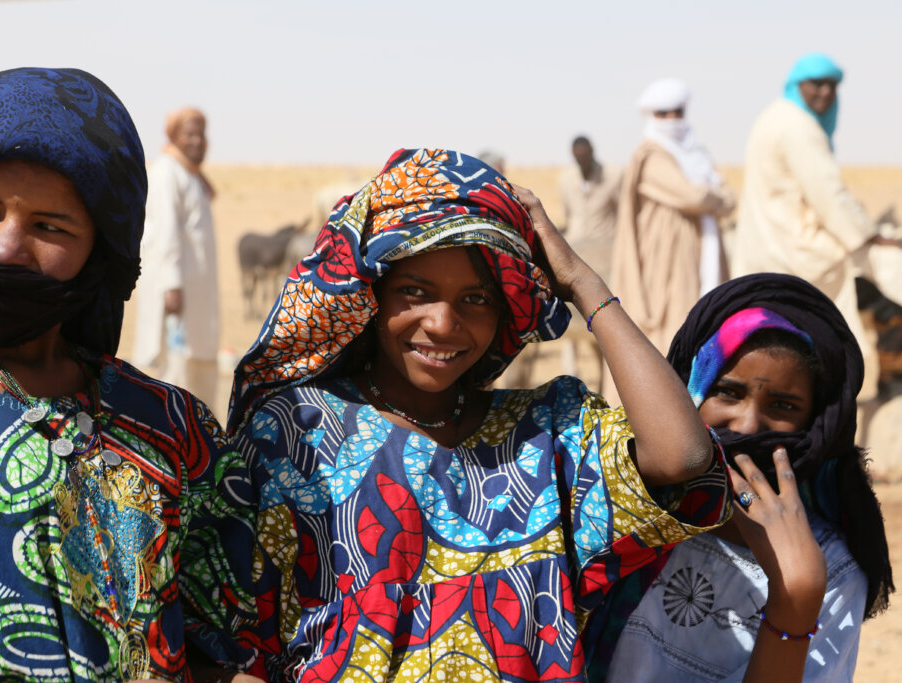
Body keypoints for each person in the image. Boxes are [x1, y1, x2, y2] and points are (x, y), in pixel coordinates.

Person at [225, 148, 731, 681]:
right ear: (371, 296)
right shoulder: (296, 434)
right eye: (414, 292)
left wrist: (583, 282)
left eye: (476, 298)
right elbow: (243, 646)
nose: (443, 323)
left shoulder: (546, 435)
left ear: (507, 308)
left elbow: (684, 454)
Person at [0, 68, 258, 682]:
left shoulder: (172, 424)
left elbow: (224, 632)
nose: (4, 247)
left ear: (98, 254)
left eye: (49, 227)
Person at [585, 273, 894, 682]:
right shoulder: (624, 508)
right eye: (728, 393)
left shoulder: (830, 569)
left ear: (817, 425)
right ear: (688, 391)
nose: (748, 426)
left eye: (783, 404)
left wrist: (794, 598)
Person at [733, 54, 902, 400]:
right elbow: (829, 195)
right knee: (890, 276)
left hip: (768, 244)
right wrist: (871, 235)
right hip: (799, 247)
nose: (825, 93)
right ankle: (891, 374)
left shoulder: (773, 117)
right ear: (799, 86)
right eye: (817, 84)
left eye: (832, 86)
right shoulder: (799, 127)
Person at [609, 78, 735, 361]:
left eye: (677, 112)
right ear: (651, 116)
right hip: (665, 262)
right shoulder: (650, 156)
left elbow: (726, 199)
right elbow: (694, 197)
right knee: (670, 327)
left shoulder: (696, 154)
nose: (671, 119)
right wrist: (715, 195)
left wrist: (713, 197)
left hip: (701, 254)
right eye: (663, 113)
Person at [132, 107, 221, 409]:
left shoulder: (191, 176)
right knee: (175, 376)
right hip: (178, 292)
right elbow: (167, 232)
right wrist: (171, 285)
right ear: (174, 137)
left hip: (198, 294)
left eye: (201, 134)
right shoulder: (166, 172)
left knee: (198, 374)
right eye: (190, 134)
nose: (197, 141)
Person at [557, 136, 622, 281]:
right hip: (576, 250)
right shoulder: (566, 180)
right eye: (578, 157)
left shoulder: (613, 176)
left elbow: (624, 214)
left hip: (606, 250)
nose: (582, 161)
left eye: (585, 156)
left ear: (592, 151)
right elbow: (568, 216)